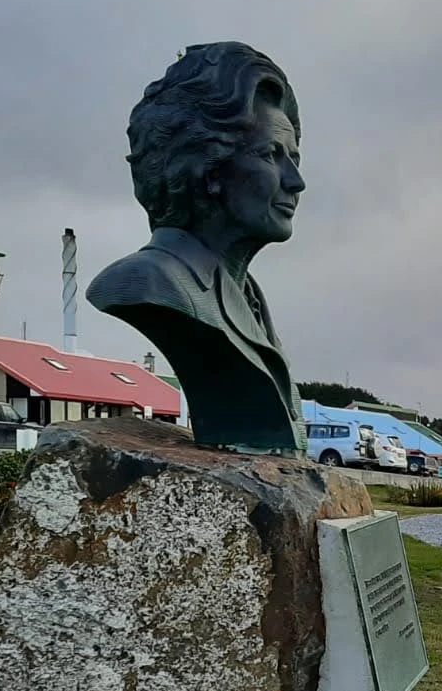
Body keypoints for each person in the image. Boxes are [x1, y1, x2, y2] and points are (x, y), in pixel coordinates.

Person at [88, 42, 309, 454]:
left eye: (294, 158)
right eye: (271, 155)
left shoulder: (249, 296)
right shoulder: (149, 282)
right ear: (207, 167)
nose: (296, 181)